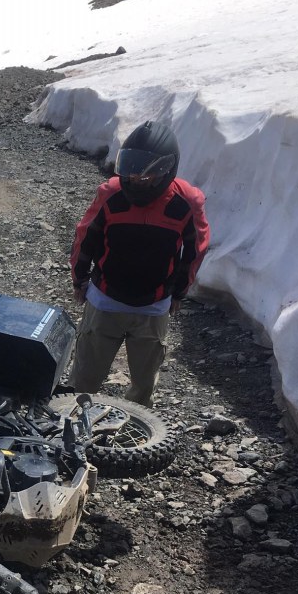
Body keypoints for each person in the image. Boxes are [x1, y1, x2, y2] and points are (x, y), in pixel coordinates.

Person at [68, 119, 210, 407]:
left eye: (145, 173)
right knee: (84, 379)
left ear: (166, 170)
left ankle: (135, 427)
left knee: (143, 386)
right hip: (105, 299)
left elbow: (195, 250)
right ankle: (71, 420)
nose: (135, 178)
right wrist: (79, 278)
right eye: (130, 168)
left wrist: (179, 292)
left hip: (153, 306)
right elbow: (86, 236)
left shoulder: (186, 202)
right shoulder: (112, 193)